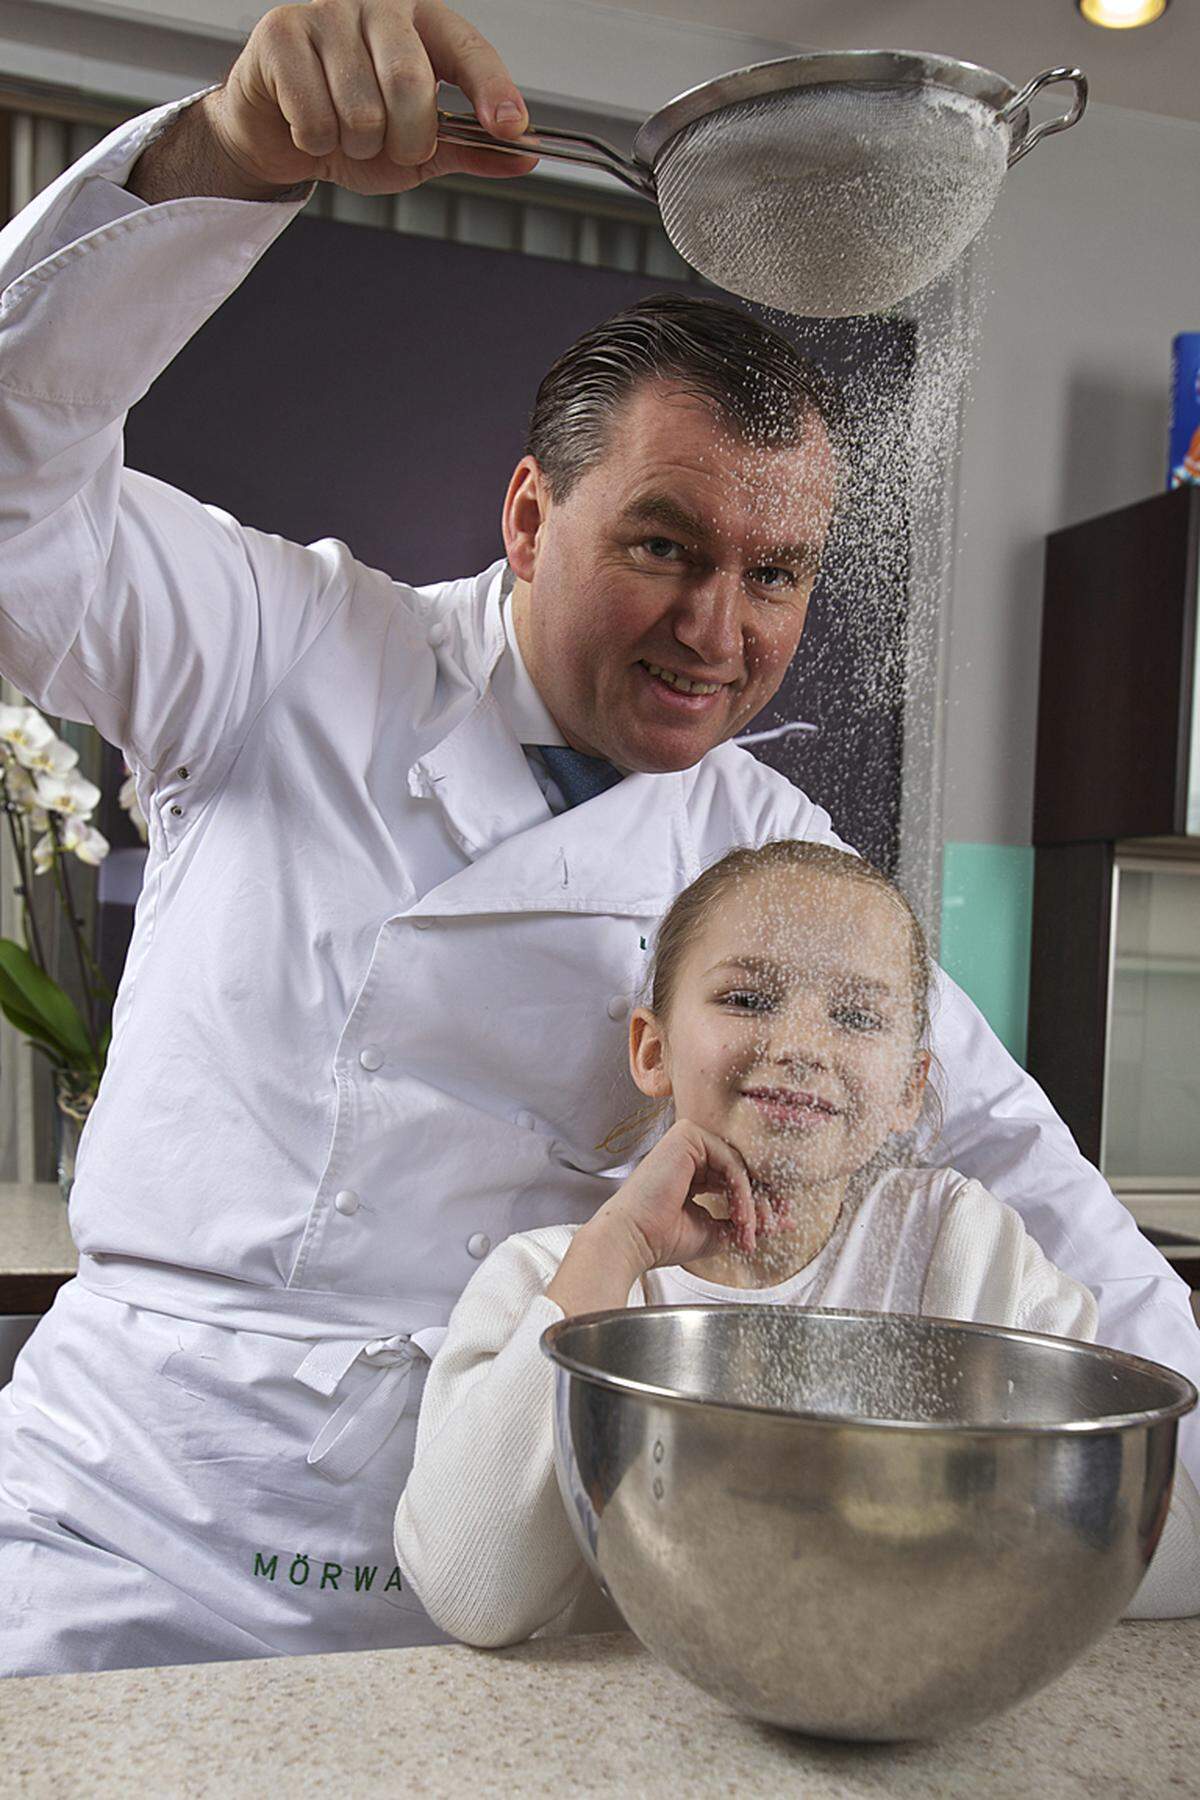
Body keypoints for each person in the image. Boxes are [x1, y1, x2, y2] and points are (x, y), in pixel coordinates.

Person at [0, 0, 1196, 1676]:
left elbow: (995, 1150)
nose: (721, 627)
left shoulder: (769, 847)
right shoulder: (284, 648)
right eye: (663, 543)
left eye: (775, 574)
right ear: (527, 515)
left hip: (494, 1570)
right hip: (125, 1521)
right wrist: (233, 151)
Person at [393, 843, 1200, 1645]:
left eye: (854, 1016)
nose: (801, 1045)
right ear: (652, 1050)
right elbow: (476, 1592)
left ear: (907, 1092)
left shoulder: (963, 1249)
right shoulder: (556, 1280)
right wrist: (619, 1244)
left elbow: (1169, 1555)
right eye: (746, 999)